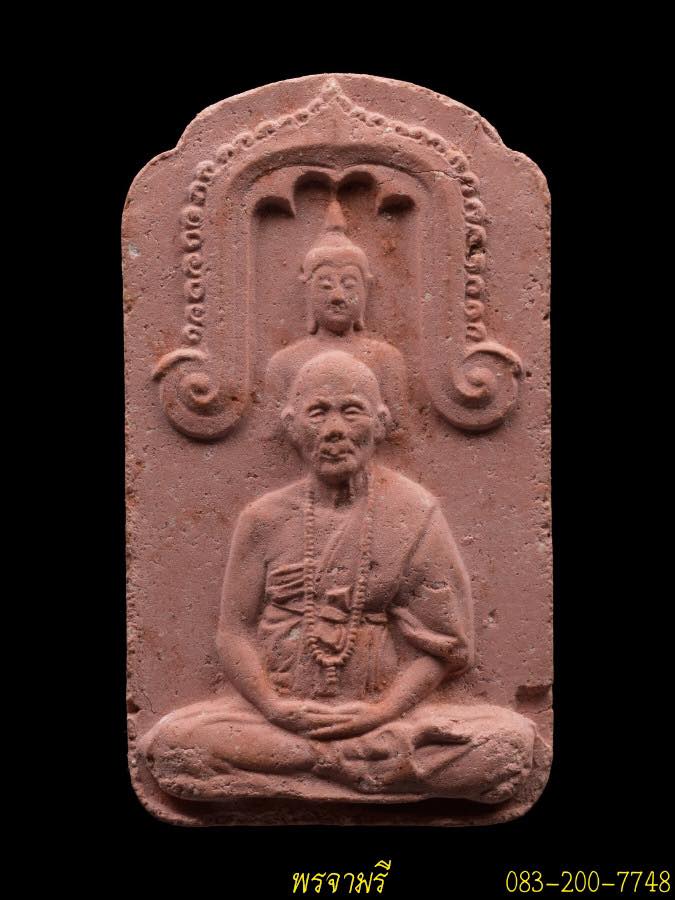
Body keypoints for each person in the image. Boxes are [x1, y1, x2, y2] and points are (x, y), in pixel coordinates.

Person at [141, 351, 537, 802]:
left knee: (507, 747)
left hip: (385, 720)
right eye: (317, 412)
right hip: (276, 721)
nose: (334, 429)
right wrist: (274, 707)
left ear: (380, 422)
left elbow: (446, 647)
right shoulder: (263, 519)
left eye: (351, 411)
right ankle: (354, 768)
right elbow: (234, 633)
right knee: (174, 746)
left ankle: (309, 771)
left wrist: (381, 712)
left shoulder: (413, 513)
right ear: (292, 426)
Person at [264, 201, 408, 438]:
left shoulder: (387, 360)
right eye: (325, 285)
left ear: (365, 291)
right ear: (308, 293)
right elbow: (272, 439)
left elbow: (399, 434)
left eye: (349, 284)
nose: (337, 296)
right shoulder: (283, 364)